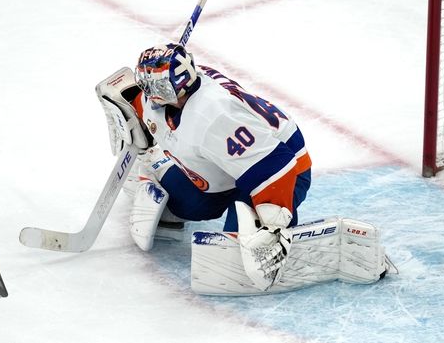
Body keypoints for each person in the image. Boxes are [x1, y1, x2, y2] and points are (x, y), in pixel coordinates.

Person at [98, 43, 389, 293]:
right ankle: (165, 169)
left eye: (159, 86)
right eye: (147, 84)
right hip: (227, 163)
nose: (152, 93)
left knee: (234, 255)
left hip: (280, 170)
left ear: (183, 81)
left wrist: (273, 224)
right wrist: (127, 103)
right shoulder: (170, 94)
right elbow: (140, 96)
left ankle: (285, 235)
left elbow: (277, 165)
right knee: (193, 204)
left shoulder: (214, 115)